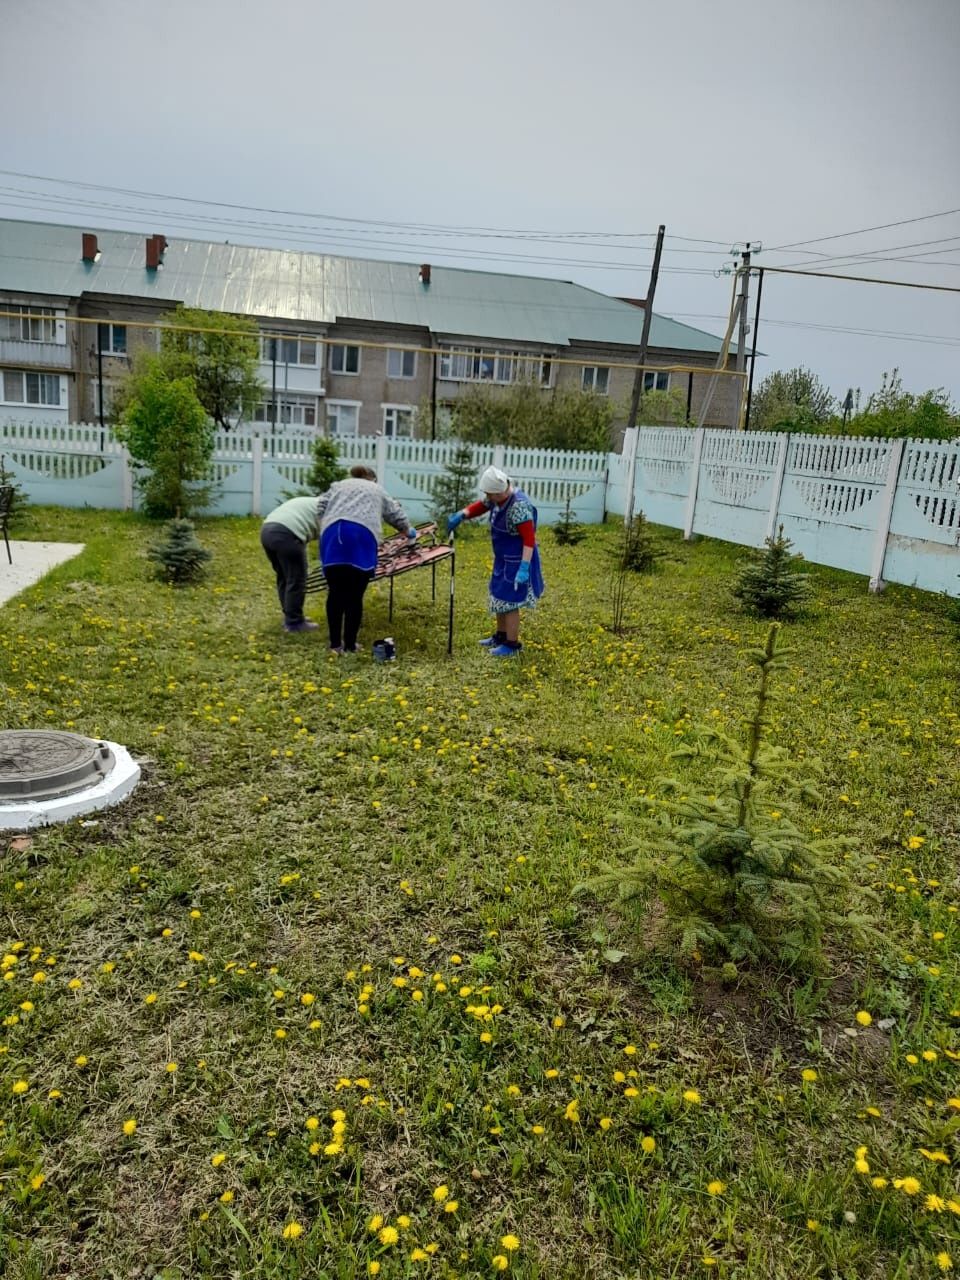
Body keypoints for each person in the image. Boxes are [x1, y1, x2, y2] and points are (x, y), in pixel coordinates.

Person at [318, 465, 417, 654]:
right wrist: (408, 530)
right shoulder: (376, 489)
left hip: (332, 534)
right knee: (355, 595)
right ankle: (350, 645)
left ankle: (334, 645)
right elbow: (394, 513)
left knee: (335, 593)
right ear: (372, 479)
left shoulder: (338, 485)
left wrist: (326, 522)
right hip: (360, 535)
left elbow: (321, 504)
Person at [446, 466, 544, 658]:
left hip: (517, 560)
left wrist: (524, 567)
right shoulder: (498, 499)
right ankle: (500, 636)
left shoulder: (518, 506)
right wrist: (463, 513)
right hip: (502, 559)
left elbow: (529, 539)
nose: (487, 497)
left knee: (511, 602)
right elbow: (482, 505)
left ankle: (512, 644)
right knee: (499, 596)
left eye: (490, 494)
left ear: (499, 492)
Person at [260, 494, 324, 633]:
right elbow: (327, 538)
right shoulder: (328, 509)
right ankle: (294, 623)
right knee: (297, 579)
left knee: (284, 576)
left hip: (267, 531)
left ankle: (291, 616)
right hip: (286, 534)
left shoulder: (310, 502)